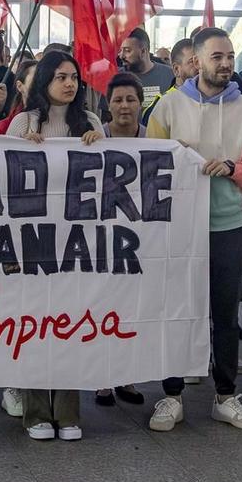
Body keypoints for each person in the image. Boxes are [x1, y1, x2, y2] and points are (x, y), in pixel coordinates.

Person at [145, 26, 242, 432]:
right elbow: (150, 167)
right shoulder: (167, 106)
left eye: (230, 56)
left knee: (226, 314)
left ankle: (226, 396)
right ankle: (172, 395)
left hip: (227, 224)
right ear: (196, 61)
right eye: (218, 56)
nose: (227, 63)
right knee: (176, 311)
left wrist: (234, 169)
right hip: (179, 227)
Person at [3, 51, 105, 439]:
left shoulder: (91, 122)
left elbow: (106, 180)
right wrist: (22, 152)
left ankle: (67, 412)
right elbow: (3, 180)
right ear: (44, 80)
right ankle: (36, 413)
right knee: (34, 322)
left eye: (74, 77)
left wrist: (100, 147)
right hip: (33, 238)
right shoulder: (23, 122)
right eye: (61, 76)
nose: (69, 83)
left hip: (76, 239)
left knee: (69, 322)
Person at [91, 73, 151, 408]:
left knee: (131, 307)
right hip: (101, 236)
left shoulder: (156, 139)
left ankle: (126, 376)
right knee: (102, 305)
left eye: (130, 99)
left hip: (140, 238)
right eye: (118, 100)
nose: (124, 106)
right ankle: (102, 378)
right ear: (108, 105)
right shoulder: (96, 137)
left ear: (141, 103)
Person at [122, 28, 173, 98]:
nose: (122, 56)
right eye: (120, 50)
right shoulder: (115, 77)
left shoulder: (170, 75)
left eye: (127, 50)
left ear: (143, 51)